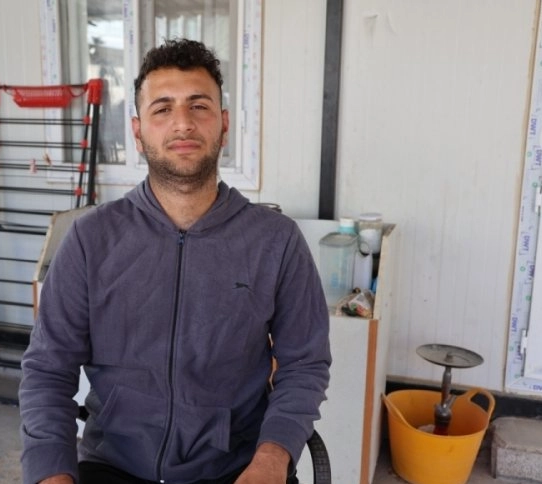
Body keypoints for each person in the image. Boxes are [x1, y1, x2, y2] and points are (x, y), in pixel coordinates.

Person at [19, 38, 331, 484]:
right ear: (138, 131)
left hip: (236, 468)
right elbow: (48, 370)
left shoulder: (275, 241)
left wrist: (273, 457)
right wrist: (51, 472)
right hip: (113, 466)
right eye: (162, 109)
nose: (182, 123)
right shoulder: (91, 239)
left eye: (199, 106)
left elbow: (304, 365)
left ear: (224, 124)